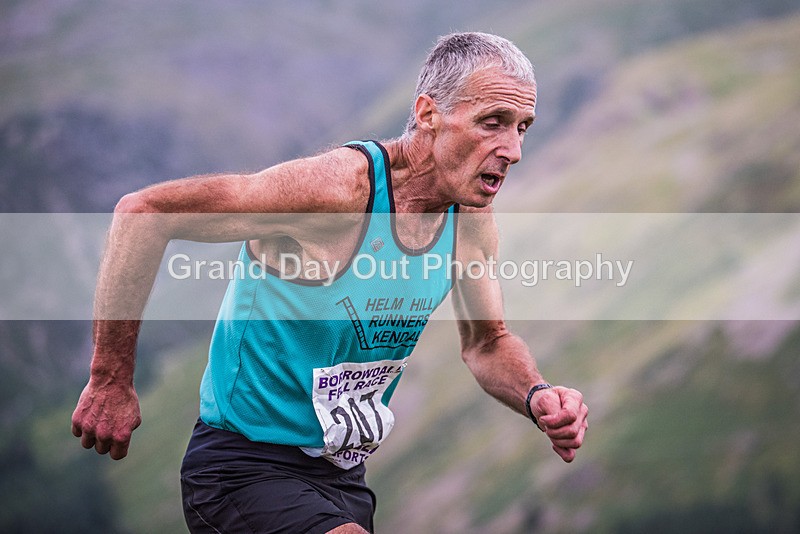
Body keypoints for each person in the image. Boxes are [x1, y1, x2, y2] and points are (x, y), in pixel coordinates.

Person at [71, 32, 588, 533]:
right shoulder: (336, 191)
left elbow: (487, 342)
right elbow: (143, 214)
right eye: (493, 122)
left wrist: (536, 394)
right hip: (240, 469)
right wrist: (111, 376)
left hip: (343, 481)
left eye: (523, 127)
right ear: (429, 115)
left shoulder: (469, 220)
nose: (513, 149)